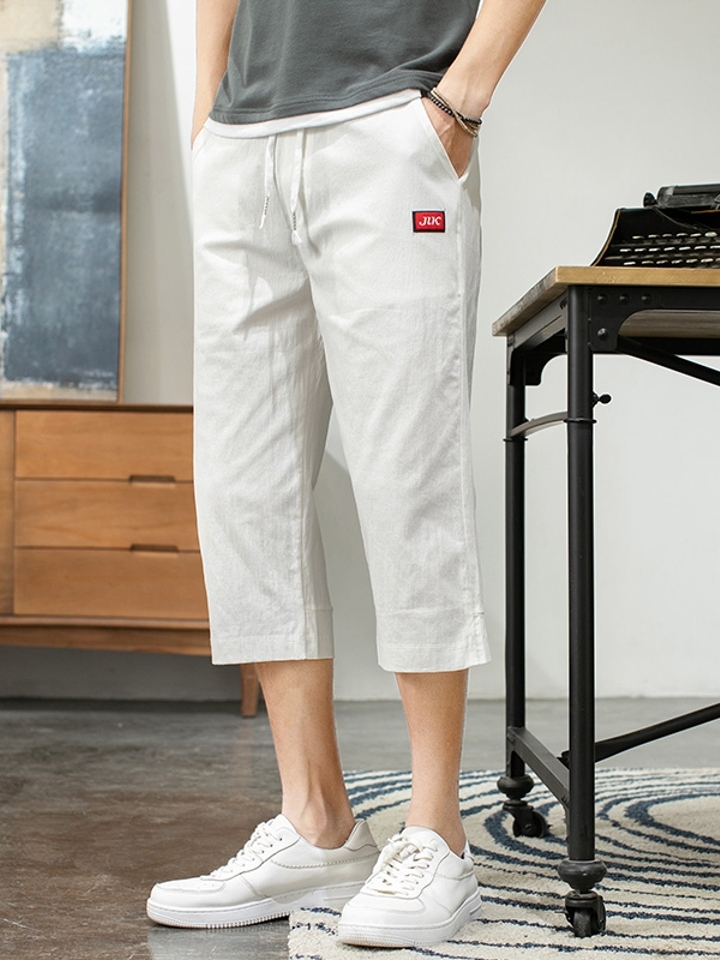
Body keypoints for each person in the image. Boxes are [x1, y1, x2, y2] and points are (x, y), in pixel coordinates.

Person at [147, 0, 546, 948]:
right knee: (246, 488)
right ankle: (315, 819)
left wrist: (462, 98)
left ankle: (437, 832)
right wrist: (206, 122)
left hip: (391, 121)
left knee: (409, 476)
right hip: (243, 141)